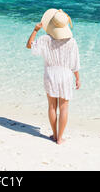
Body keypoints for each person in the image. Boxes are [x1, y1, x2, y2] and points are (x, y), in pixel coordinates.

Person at [26, 8, 80, 145]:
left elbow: (29, 46)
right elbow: (75, 63)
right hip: (66, 74)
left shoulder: (45, 39)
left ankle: (54, 135)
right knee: (64, 107)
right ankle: (60, 139)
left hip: (50, 73)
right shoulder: (71, 41)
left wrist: (35, 30)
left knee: (51, 106)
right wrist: (78, 78)